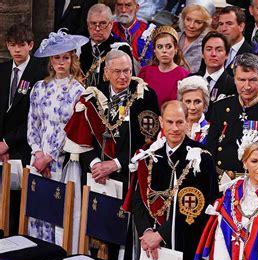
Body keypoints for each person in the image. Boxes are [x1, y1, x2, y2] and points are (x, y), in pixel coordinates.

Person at [130, 100, 217, 260]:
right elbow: (138, 199)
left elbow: (201, 207)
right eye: (169, 122)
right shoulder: (150, 154)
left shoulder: (200, 158)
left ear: (188, 123)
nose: (175, 128)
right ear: (161, 122)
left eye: (180, 122)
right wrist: (147, 232)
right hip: (150, 245)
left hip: (186, 244)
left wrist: (161, 234)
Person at [64, 50, 160, 189]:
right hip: (95, 175)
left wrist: (116, 164)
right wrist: (95, 164)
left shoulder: (145, 96)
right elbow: (80, 136)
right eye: (117, 71)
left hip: (129, 175)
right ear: (107, 73)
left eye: (127, 71)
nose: (123, 76)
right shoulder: (93, 96)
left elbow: (150, 141)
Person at [27, 29, 87, 243]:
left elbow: (72, 128)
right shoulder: (39, 88)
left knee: (58, 210)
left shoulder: (78, 91)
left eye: (65, 57)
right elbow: (33, 123)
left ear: (72, 60)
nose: (61, 62)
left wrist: (50, 156)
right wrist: (37, 153)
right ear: (50, 61)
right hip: (38, 157)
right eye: (56, 57)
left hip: (62, 160)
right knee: (37, 209)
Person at [206, 53, 258, 177]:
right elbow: (211, 150)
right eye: (241, 80)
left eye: (252, 80)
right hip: (221, 181)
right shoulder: (220, 108)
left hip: (256, 184)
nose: (247, 86)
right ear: (234, 79)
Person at [0, 24, 46, 236]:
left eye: (21, 45)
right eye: (12, 45)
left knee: (20, 201)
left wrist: (8, 143)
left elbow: (36, 117)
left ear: (31, 45)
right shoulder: (2, 69)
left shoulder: (41, 70)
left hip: (25, 146)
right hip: (1, 148)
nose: (16, 50)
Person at [81, 4, 133, 88]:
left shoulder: (120, 48)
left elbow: (128, 82)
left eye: (102, 23)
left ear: (111, 24)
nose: (97, 28)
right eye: (93, 23)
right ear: (88, 25)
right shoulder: (80, 49)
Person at [138, 25, 189, 110]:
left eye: (168, 46)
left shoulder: (184, 76)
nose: (164, 51)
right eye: (160, 47)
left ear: (175, 49)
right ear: (154, 50)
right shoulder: (145, 72)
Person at [193, 31, 236, 107]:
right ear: (202, 54)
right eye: (209, 49)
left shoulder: (233, 85)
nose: (213, 54)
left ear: (227, 55)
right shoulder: (191, 79)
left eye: (219, 50)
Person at [112, 0, 156, 72]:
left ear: (137, 8)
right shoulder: (109, 30)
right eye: (120, 5)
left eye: (128, 5)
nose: (123, 10)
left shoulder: (149, 32)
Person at [178, 1, 214, 73]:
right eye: (188, 19)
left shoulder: (208, 45)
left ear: (205, 24)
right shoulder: (173, 37)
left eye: (198, 22)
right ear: (183, 19)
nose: (191, 26)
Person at [217, 5, 253, 73]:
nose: (223, 29)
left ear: (241, 26)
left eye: (229, 24)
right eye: (221, 24)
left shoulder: (251, 54)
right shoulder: (214, 50)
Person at [177, 75, 210, 144]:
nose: (192, 107)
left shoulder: (211, 130)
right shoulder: (172, 127)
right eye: (188, 101)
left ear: (205, 104)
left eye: (197, 102)